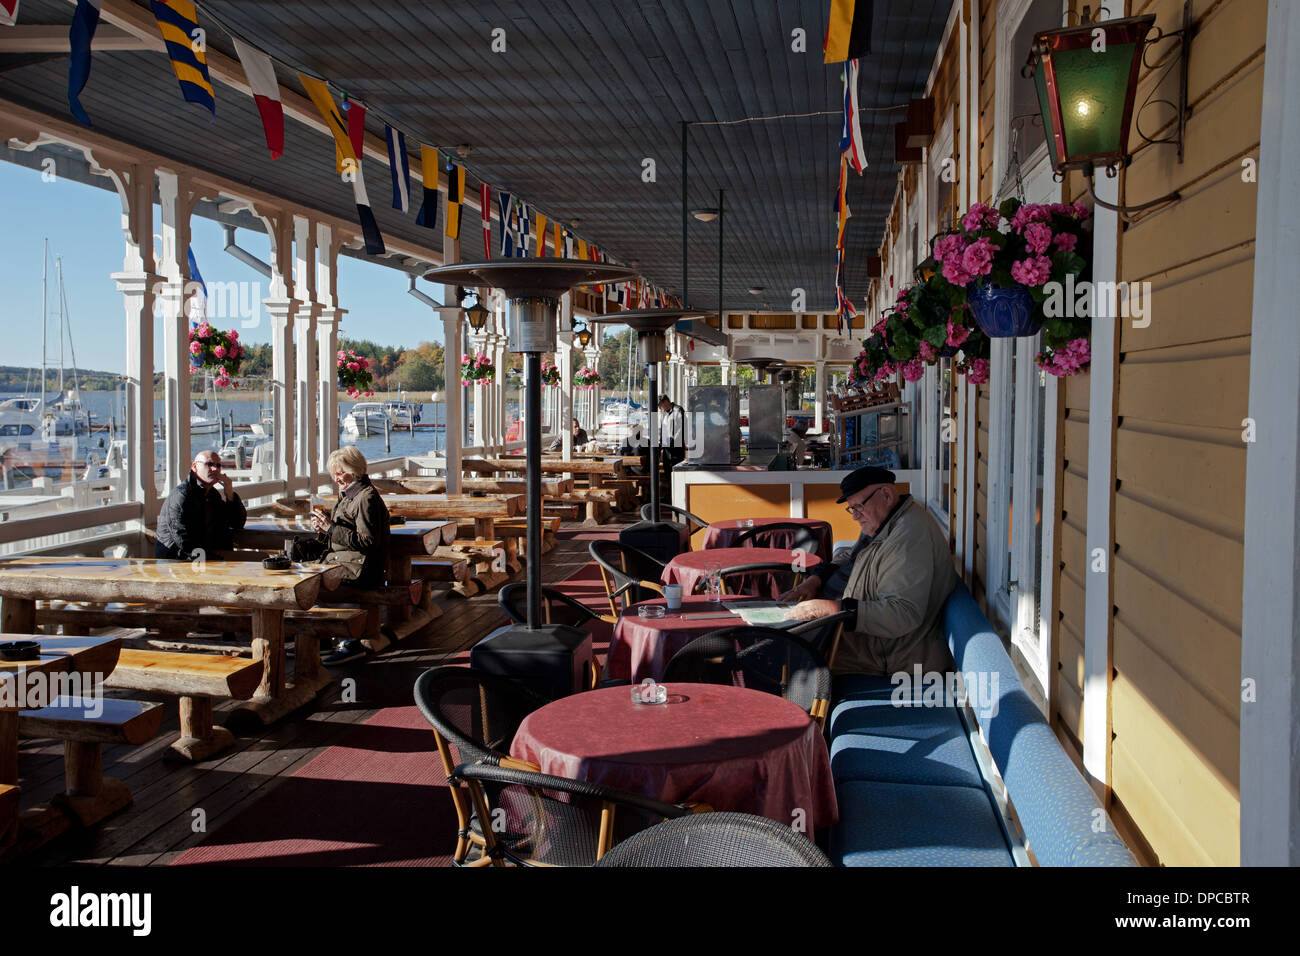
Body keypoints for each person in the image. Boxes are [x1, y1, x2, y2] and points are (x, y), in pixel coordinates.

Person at [780, 465, 957, 677]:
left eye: (858, 507)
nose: (854, 516)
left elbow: (902, 614)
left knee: (780, 657)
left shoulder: (908, 538)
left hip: (882, 654)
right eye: (851, 508)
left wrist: (833, 610)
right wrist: (817, 579)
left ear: (886, 494)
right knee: (773, 639)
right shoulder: (887, 521)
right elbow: (851, 556)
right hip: (852, 635)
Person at [305, 447, 392, 666]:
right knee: (304, 574)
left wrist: (331, 528)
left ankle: (348, 641)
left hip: (363, 570)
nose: (336, 478)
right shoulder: (349, 495)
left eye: (340, 472)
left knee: (311, 582)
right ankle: (322, 635)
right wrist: (324, 527)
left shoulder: (365, 497)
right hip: (350, 563)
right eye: (334, 473)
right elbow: (345, 534)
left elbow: (368, 541)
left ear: (355, 471)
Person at [155, 451, 248, 560]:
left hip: (204, 557)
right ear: (194, 467)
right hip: (177, 560)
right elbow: (182, 538)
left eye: (218, 465)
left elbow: (237, 523)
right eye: (209, 464)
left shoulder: (212, 494)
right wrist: (211, 559)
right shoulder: (182, 495)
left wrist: (229, 493)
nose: (215, 469)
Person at [658, 395, 686, 471]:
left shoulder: (678, 410)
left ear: (666, 402)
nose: (659, 408)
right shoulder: (663, 413)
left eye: (660, 406)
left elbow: (682, 428)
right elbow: (662, 429)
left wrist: (672, 441)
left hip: (676, 448)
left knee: (676, 470)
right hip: (667, 449)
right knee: (667, 470)